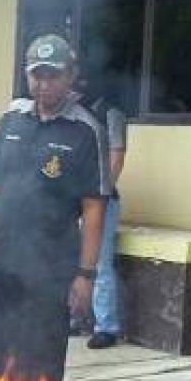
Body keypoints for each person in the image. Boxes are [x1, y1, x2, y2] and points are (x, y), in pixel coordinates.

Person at [0, 35, 107, 381]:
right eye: (37, 76)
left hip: (51, 266)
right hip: (1, 260)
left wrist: (86, 274)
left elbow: (93, 207)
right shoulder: (11, 118)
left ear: (71, 75)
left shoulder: (85, 129)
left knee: (41, 361)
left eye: (53, 76)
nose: (43, 84)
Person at [80, 80, 128, 349]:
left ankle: (106, 327)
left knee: (100, 264)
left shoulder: (111, 113)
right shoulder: (72, 113)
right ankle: (77, 318)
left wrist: (100, 193)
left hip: (101, 201)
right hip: (72, 200)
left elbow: (117, 157)